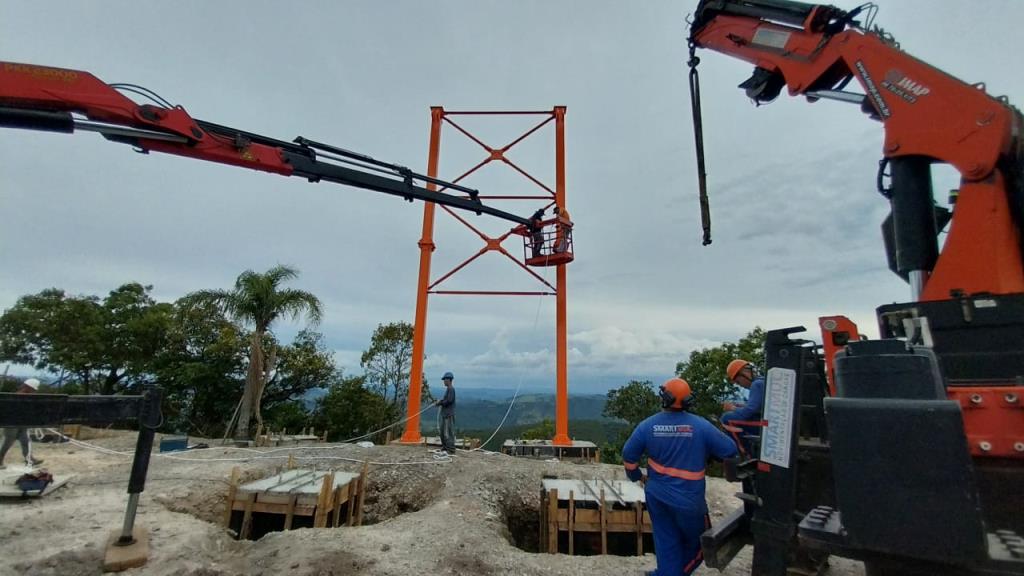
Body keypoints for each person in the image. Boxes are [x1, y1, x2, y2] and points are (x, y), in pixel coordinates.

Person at [623, 377, 737, 576]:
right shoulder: (701, 426)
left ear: (665, 399)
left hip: (657, 495)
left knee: (666, 541)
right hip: (689, 500)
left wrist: (636, 476)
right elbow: (729, 449)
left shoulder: (648, 426)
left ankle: (665, 573)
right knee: (701, 545)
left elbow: (629, 456)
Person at [720, 359, 766, 455]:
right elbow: (756, 407)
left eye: (738, 381)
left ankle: (743, 453)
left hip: (766, 425)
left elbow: (748, 412)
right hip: (767, 422)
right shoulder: (763, 381)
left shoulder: (757, 384)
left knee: (727, 418)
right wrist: (739, 406)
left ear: (744, 374)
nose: (740, 385)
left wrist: (732, 408)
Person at [1, 378, 44, 469]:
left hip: (22, 423)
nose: (34, 392)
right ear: (28, 387)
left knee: (25, 441)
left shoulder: (28, 398)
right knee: (7, 442)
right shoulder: (16, 397)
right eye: (33, 389)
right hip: (12, 423)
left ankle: (29, 459)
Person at [434, 371, 457, 455]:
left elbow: (449, 401)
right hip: (445, 414)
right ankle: (445, 447)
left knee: (447, 433)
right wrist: (440, 401)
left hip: (448, 415)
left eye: (445, 379)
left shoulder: (451, 389)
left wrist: (440, 403)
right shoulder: (448, 389)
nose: (444, 381)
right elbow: (446, 400)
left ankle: (451, 449)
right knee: (443, 432)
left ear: (449, 380)